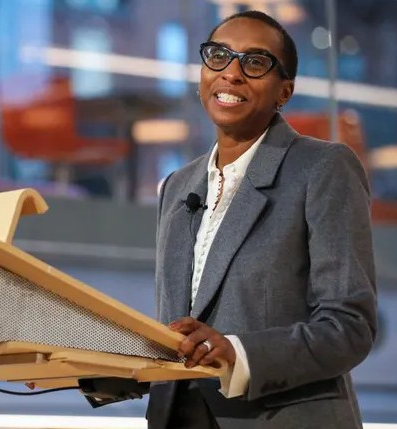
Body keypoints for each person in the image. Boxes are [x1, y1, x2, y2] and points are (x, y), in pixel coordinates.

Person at [146, 10, 377, 429]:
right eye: (219, 56)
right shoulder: (178, 186)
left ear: (284, 92)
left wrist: (238, 353)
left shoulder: (322, 168)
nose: (231, 73)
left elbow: (350, 327)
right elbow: (173, 332)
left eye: (254, 62)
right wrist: (82, 366)